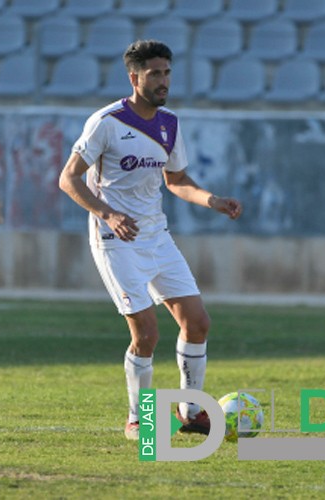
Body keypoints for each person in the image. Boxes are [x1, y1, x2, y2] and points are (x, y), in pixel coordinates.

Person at [58, 39, 242, 441]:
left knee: (197, 323)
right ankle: (139, 418)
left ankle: (191, 411)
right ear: (134, 77)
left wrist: (213, 200)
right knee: (146, 335)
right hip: (115, 239)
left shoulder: (169, 123)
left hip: (157, 237)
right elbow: (68, 178)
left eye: (167, 72)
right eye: (155, 73)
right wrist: (106, 213)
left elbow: (176, 181)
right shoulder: (106, 122)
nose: (163, 81)